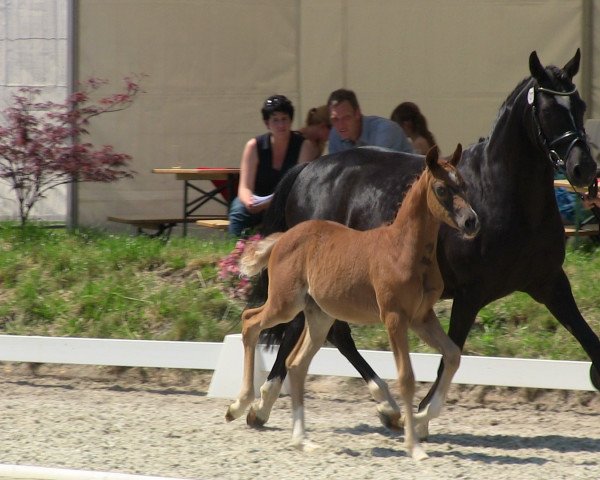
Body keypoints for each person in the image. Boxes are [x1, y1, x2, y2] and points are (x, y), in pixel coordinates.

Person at [228, 95, 318, 237]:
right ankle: (234, 250)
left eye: (284, 119)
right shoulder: (254, 146)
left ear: (291, 120)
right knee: (238, 208)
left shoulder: (303, 146)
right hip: (257, 202)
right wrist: (249, 203)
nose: (281, 125)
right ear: (267, 123)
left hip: (287, 202)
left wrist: (270, 203)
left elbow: (298, 188)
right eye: (275, 120)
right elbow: (244, 187)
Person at [326, 88, 413, 154]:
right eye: (335, 119)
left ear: (357, 114)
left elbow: (378, 172)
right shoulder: (335, 135)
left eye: (346, 118)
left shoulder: (386, 131)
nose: (341, 125)